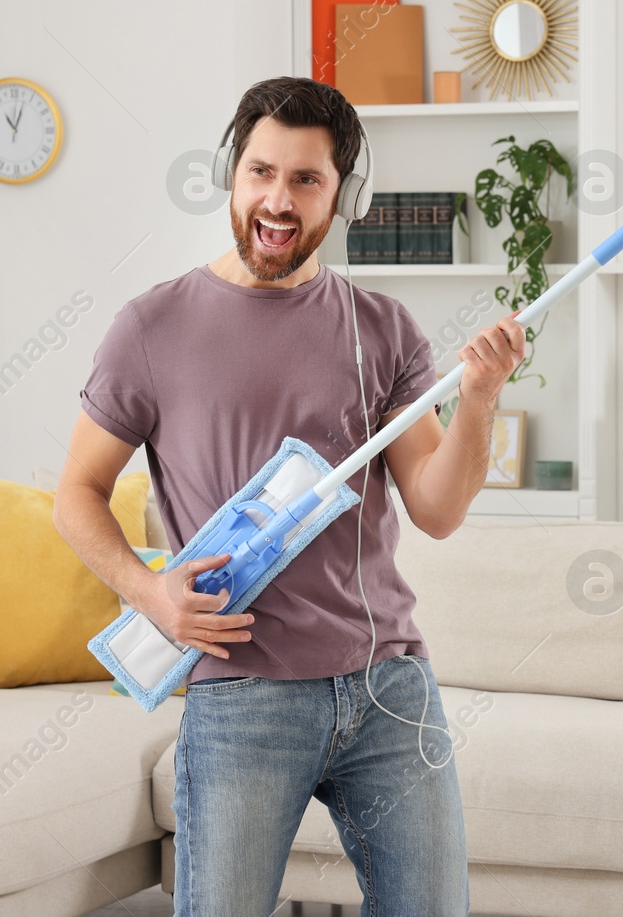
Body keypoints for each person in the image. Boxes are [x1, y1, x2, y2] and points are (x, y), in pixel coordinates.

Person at [53, 76, 526, 916]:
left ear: (342, 195)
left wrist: (480, 398)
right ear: (231, 175)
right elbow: (78, 494)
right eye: (261, 172)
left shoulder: (380, 327)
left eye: (305, 180)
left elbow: (438, 508)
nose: (278, 200)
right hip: (243, 694)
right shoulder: (152, 327)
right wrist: (149, 591)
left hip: (389, 685)